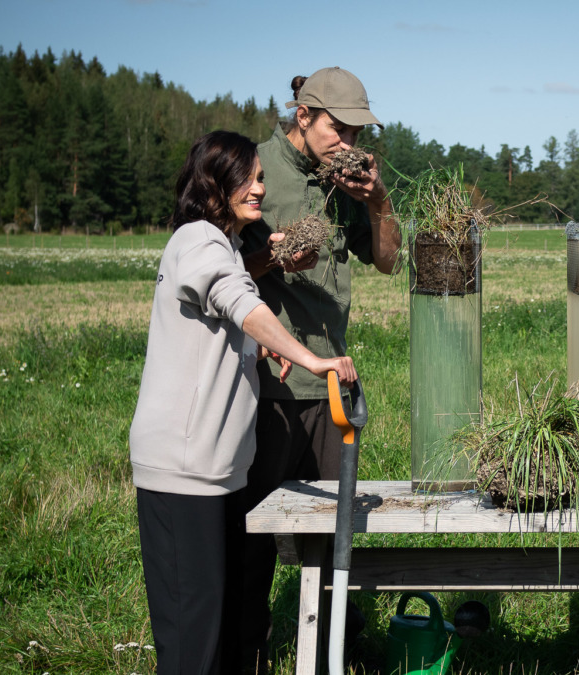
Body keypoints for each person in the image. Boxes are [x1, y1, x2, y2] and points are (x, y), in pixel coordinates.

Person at [129, 130, 357, 675]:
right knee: (193, 636)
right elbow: (242, 305)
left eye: (261, 176)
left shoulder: (224, 246)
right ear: (216, 183)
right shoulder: (199, 242)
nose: (260, 187)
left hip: (214, 469)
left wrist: (254, 352)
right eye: (251, 178)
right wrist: (311, 358)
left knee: (215, 624)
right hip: (184, 470)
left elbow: (217, 325)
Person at [237, 67, 400, 671]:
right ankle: (249, 648)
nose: (349, 142)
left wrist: (378, 200)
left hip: (334, 382)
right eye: (339, 128)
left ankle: (339, 647)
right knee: (254, 530)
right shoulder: (254, 169)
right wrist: (273, 255)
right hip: (269, 386)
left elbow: (386, 262)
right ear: (303, 116)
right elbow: (218, 273)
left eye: (359, 131)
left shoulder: (348, 183)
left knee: (334, 526)